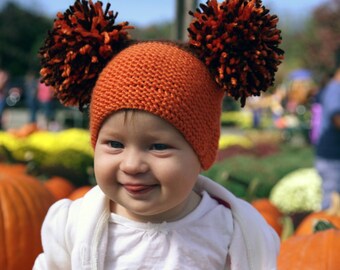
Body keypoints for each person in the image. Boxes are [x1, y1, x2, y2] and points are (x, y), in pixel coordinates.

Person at [33, 0, 284, 269]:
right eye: (115, 144)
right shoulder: (73, 225)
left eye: (158, 146)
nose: (131, 165)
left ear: (202, 152)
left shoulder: (233, 233)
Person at [315, 65, 340, 210]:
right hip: (331, 156)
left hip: (334, 155)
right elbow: (336, 117)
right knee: (331, 203)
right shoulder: (335, 89)